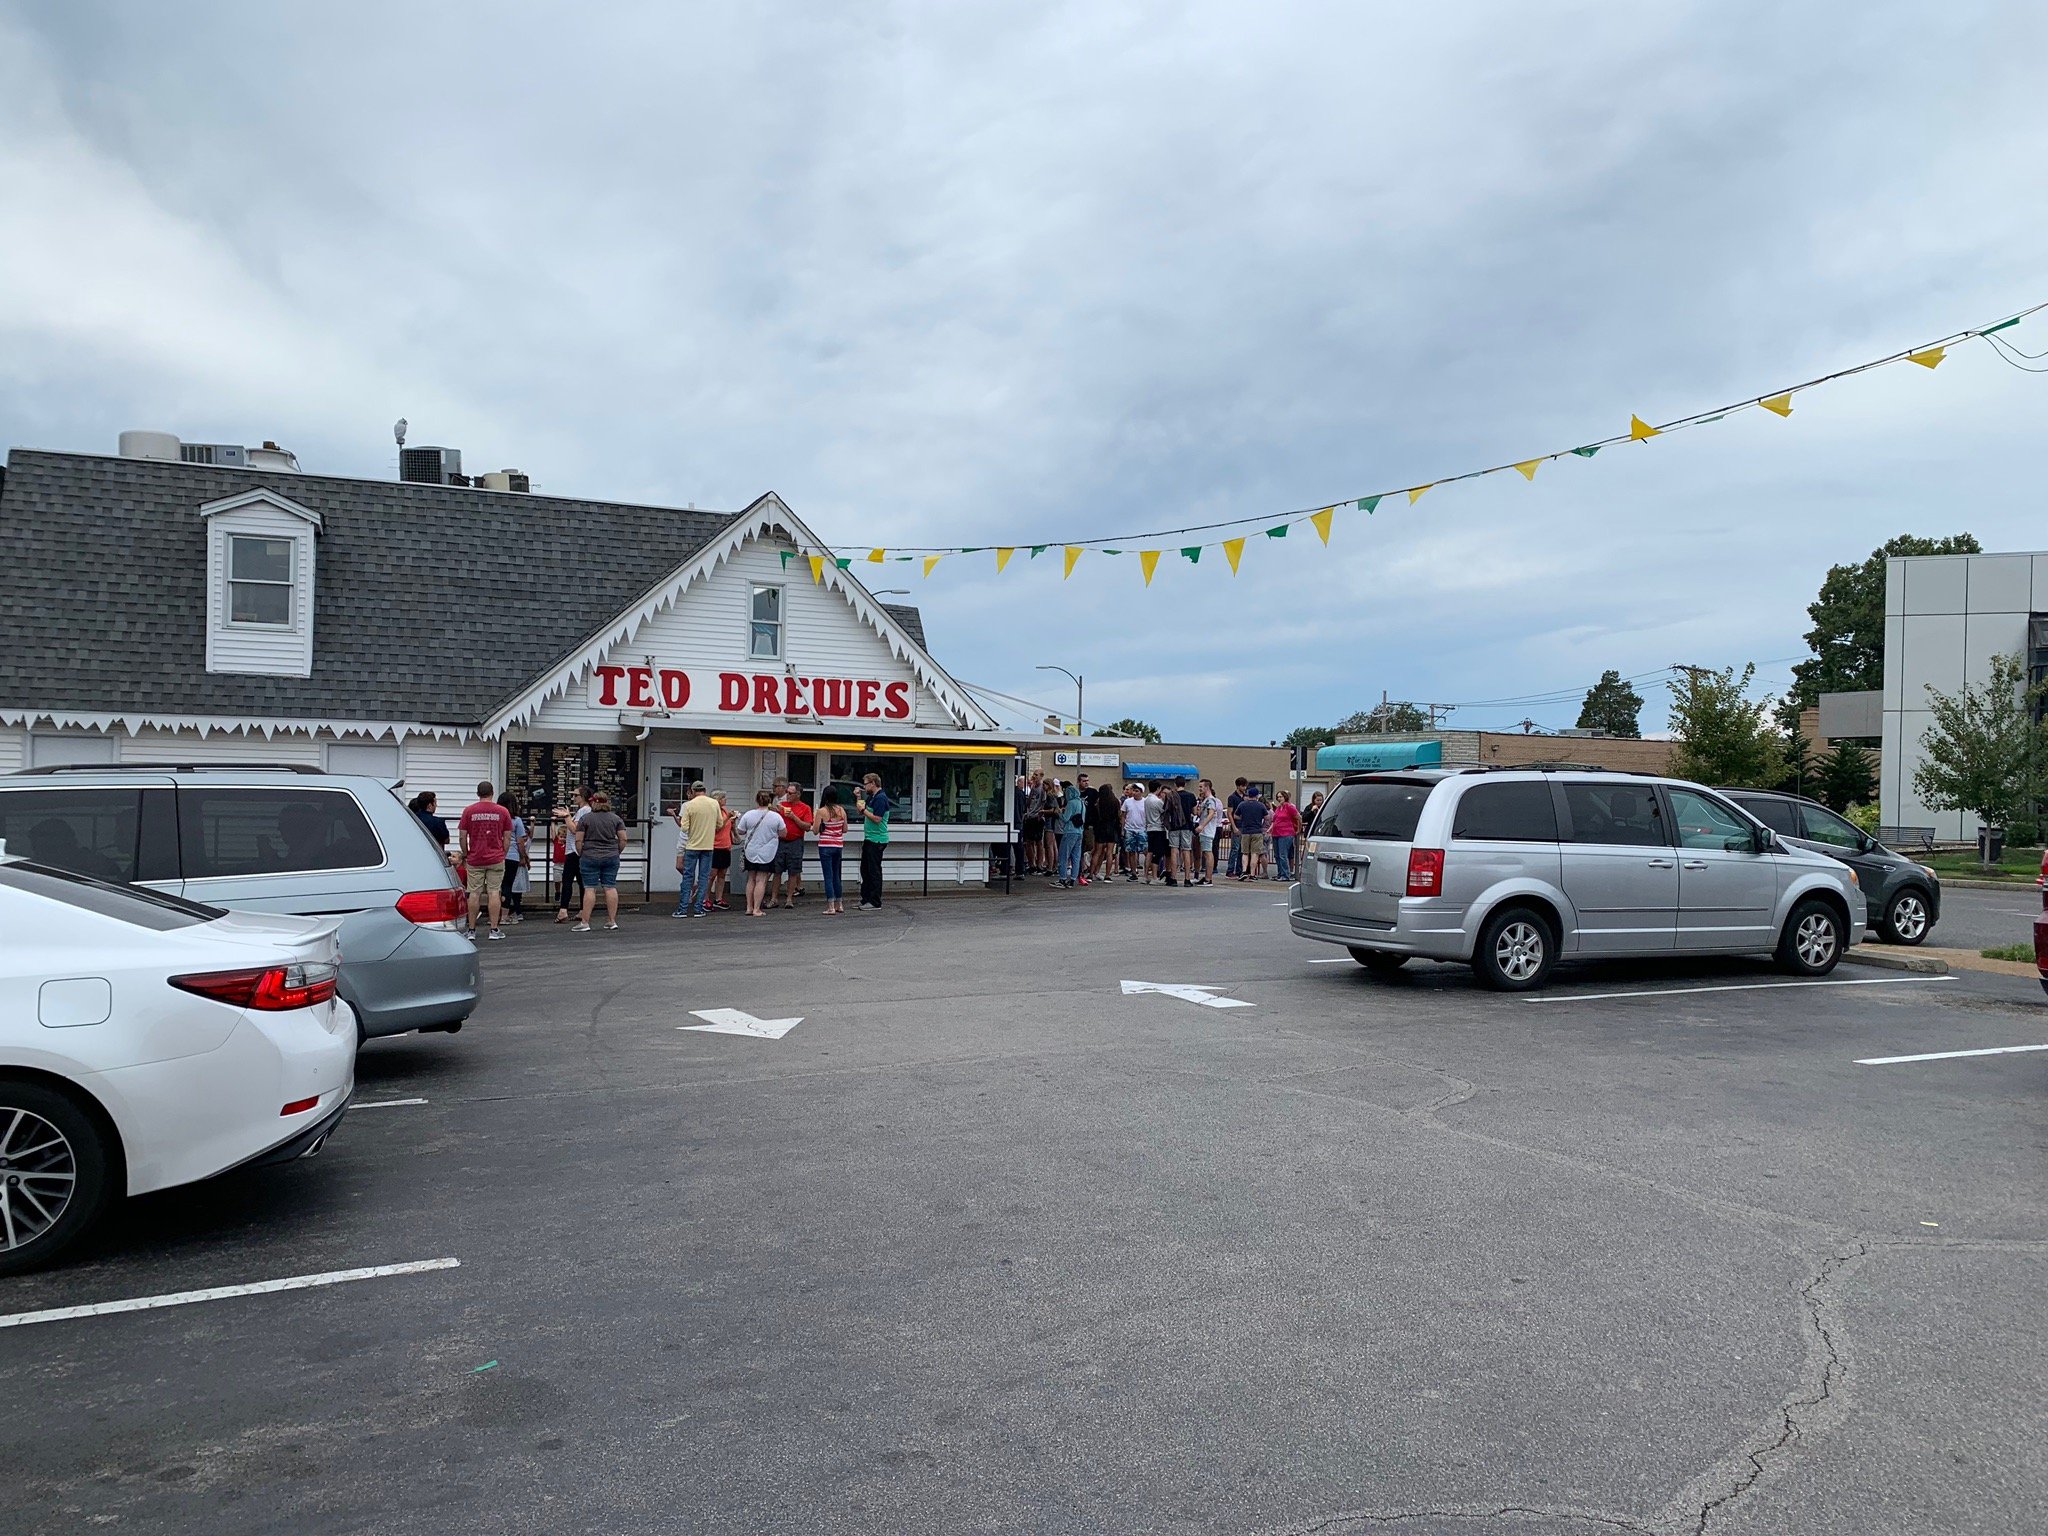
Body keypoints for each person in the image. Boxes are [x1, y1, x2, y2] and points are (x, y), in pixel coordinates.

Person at [455, 781, 513, 941]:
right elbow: (507, 837)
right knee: (494, 892)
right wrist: (503, 853)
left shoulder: (469, 811)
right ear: (492, 793)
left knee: (474, 893)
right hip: (496, 857)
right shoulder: (502, 811)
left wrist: (466, 854)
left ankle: (471, 930)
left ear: (478, 793)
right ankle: (494, 929)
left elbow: (462, 836)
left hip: (475, 858)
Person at [573, 790, 627, 931]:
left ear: (593, 803)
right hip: (611, 856)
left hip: (589, 855)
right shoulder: (616, 819)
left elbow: (578, 840)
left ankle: (585, 922)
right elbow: (623, 839)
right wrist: (617, 851)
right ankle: (612, 921)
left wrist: (581, 853)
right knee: (610, 887)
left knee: (589, 888)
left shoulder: (585, 819)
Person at [673, 780, 720, 919]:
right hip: (708, 846)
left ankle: (682, 909)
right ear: (704, 790)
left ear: (693, 791)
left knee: (688, 877)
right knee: (704, 877)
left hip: (692, 845)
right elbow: (719, 824)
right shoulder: (714, 803)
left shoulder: (689, 805)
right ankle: (698, 909)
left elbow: (684, 827)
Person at [734, 789, 783, 918]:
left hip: (751, 850)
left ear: (757, 800)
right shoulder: (776, 816)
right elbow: (783, 833)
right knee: (761, 880)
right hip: (767, 851)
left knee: (751, 879)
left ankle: (749, 907)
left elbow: (740, 831)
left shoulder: (748, 815)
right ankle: (757, 908)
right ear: (770, 801)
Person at [773, 781, 815, 909]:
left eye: (790, 793)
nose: (788, 795)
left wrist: (793, 817)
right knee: (777, 871)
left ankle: (789, 899)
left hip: (796, 841)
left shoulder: (805, 808)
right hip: (781, 841)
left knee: (793, 871)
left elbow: (807, 826)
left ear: (798, 794)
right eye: (787, 792)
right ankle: (774, 899)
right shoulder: (782, 805)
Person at [855, 771, 892, 908]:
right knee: (865, 870)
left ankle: (875, 901)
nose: (864, 787)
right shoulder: (872, 797)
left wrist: (863, 810)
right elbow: (861, 810)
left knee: (874, 871)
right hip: (870, 838)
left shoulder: (881, 798)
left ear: (873, 783)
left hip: (877, 839)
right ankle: (865, 898)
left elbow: (877, 819)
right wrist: (858, 797)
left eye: (866, 784)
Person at [553, 786, 589, 924]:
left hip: (574, 851)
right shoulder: (584, 811)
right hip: (578, 850)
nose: (573, 798)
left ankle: (563, 911)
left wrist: (567, 817)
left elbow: (575, 829)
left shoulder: (583, 811)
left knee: (567, 880)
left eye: (576, 795)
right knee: (581, 881)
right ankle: (582, 910)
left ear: (583, 796)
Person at [497, 791, 530, 922]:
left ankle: (494, 914)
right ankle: (504, 916)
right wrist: (523, 856)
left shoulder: (496, 819)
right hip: (512, 855)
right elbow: (520, 841)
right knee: (507, 885)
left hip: (496, 855)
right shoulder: (516, 820)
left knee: (495, 887)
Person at [816, 788, 849, 914]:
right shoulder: (841, 810)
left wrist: (820, 825)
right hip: (838, 845)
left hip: (825, 845)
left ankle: (830, 906)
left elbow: (815, 830)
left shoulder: (821, 811)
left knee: (828, 876)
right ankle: (839, 904)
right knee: (837, 875)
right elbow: (845, 829)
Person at [1158, 777, 1192, 887]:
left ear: (1175, 784)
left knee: (1174, 850)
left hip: (1174, 826)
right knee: (1186, 851)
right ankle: (1187, 879)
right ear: (1185, 784)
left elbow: (1166, 811)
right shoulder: (1190, 796)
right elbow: (1195, 811)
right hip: (1186, 826)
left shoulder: (1170, 796)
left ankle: (1173, 878)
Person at [1233, 785, 1270, 881]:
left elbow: (1235, 816)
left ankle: (1244, 871)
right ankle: (1252, 874)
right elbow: (1267, 817)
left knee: (1245, 853)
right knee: (1255, 853)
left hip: (1245, 831)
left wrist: (1243, 819)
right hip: (1257, 832)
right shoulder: (1260, 805)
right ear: (1256, 795)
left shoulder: (1242, 804)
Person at [708, 789, 736, 911]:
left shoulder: (724, 810)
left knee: (722, 874)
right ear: (717, 800)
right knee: (711, 874)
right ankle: (705, 898)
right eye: (723, 798)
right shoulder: (713, 812)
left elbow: (726, 826)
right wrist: (727, 818)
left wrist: (732, 821)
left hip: (725, 845)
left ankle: (718, 898)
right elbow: (716, 828)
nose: (725, 800)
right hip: (715, 846)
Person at [1089, 779, 1122, 883]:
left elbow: (1095, 816)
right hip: (1111, 828)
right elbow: (1118, 816)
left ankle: (1090, 874)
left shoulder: (1099, 803)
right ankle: (1107, 875)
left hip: (1101, 828)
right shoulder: (1115, 802)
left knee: (1097, 852)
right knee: (1109, 853)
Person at [1058, 777, 1088, 887]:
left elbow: (1065, 818)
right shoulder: (1082, 803)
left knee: (1064, 855)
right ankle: (1073, 879)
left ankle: (1062, 878)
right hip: (1079, 832)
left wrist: (1059, 813)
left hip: (1070, 831)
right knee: (1076, 857)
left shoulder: (1071, 803)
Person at [1195, 778, 1223, 885]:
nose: (1199, 789)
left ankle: (1208, 878)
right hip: (1205, 831)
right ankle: (1207, 877)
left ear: (1207, 787)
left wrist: (1202, 826)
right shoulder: (1205, 800)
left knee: (1208, 853)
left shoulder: (1211, 800)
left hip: (1207, 831)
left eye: (1201, 787)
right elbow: (1199, 814)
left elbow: (1211, 814)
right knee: (1206, 852)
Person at [1270, 790, 1301, 883]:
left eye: (1281, 797)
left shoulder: (1289, 807)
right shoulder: (1278, 808)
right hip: (1276, 833)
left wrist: (1298, 829)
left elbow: (1298, 817)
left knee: (1283, 855)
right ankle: (1280, 873)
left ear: (1285, 797)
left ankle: (1285, 874)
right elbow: (1274, 820)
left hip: (1286, 833)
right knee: (1277, 855)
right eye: (1278, 797)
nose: (1279, 799)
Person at [1120, 782, 1148, 881]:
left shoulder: (1145, 802)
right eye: (1134, 791)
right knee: (1131, 852)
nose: (1135, 793)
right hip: (1130, 829)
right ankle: (1133, 872)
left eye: (1137, 791)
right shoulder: (1127, 802)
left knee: (1146, 851)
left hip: (1142, 829)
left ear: (1141, 792)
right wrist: (1123, 828)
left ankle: (1146, 872)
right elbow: (1123, 815)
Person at [409, 792, 449, 859]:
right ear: (430, 805)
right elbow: (446, 840)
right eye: (435, 803)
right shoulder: (438, 822)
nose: (436, 805)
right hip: (435, 856)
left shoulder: (411, 819)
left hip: (415, 854)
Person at [1020, 771, 1046, 875]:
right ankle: (1032, 864)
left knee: (1039, 842)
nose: (1034, 776)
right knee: (1029, 842)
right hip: (1030, 816)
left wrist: (1040, 814)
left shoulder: (1042, 788)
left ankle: (1039, 864)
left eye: (1036, 775)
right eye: (1034, 774)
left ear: (1041, 776)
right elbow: (1029, 802)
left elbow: (1043, 802)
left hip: (1037, 817)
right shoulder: (1034, 788)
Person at [1141, 782, 1167, 884]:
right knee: (1158, 853)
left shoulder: (1146, 800)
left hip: (1149, 828)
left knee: (1150, 852)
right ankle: (1155, 877)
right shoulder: (1157, 801)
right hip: (1158, 828)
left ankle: (1145, 875)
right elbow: (1164, 812)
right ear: (1158, 788)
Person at [1226, 777, 1249, 878]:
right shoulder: (1232, 797)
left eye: (1245, 786)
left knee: (1242, 849)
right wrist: (1234, 826)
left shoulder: (1245, 797)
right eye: (1243, 786)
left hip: (1244, 825)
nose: (1244, 788)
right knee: (1235, 848)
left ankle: (1239, 870)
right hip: (1237, 825)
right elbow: (1229, 813)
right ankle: (1230, 870)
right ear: (1238, 786)